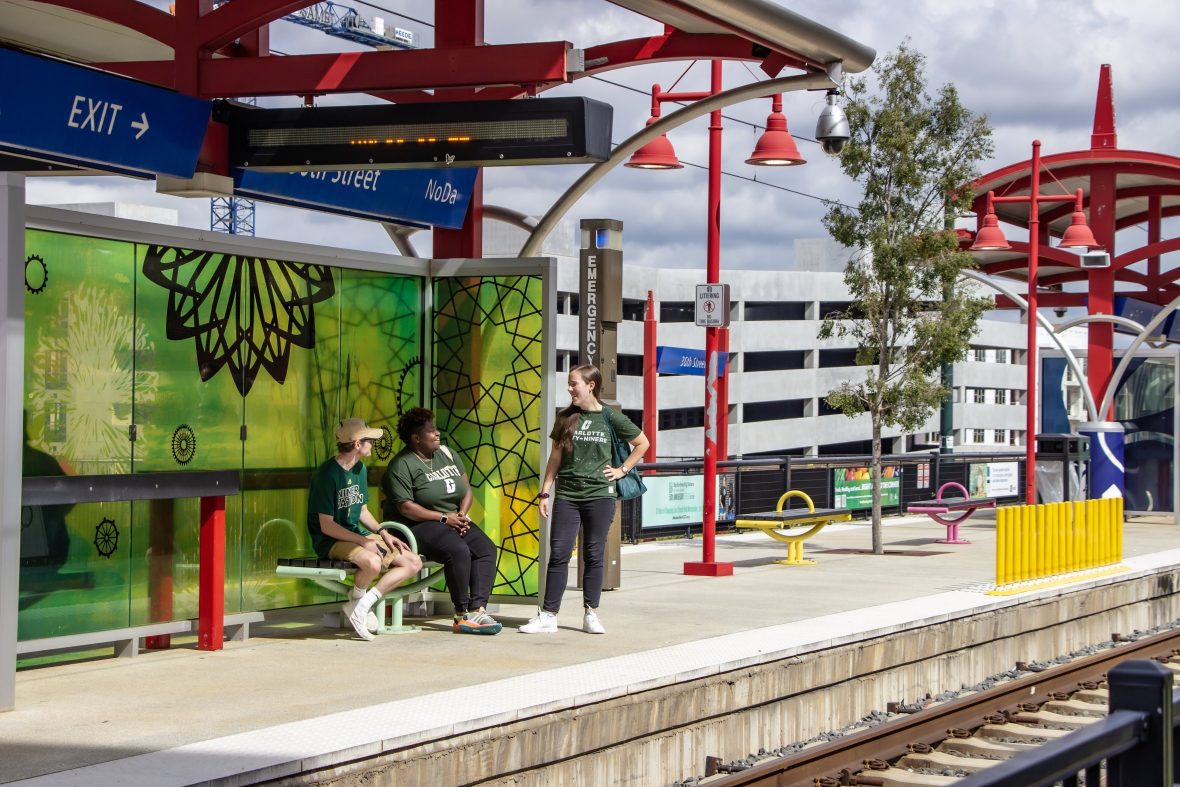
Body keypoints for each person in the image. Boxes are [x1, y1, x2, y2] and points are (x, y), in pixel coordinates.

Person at [521, 364, 649, 635]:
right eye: (569, 384)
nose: (570, 389)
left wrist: (621, 470)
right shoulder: (566, 417)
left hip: (600, 496)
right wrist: (545, 492)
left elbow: (643, 443)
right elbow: (555, 458)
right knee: (559, 554)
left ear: (591, 386)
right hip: (568, 494)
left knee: (593, 554)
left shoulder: (610, 418)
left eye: (574, 383)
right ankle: (548, 615)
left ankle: (591, 613)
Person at [382, 407, 502, 635]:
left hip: (452, 520)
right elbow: (406, 507)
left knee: (485, 548)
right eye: (430, 431)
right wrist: (444, 518)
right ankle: (461, 614)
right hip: (417, 525)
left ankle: (478, 608)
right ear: (416, 438)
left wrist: (461, 515)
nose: (437, 433)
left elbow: (466, 490)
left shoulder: (447, 454)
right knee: (457, 550)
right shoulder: (402, 464)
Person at [307, 417, 422, 641]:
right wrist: (363, 541)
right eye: (369, 439)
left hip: (355, 535)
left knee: (413, 562)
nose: (373, 443)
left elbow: (362, 511)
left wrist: (382, 532)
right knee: (373, 562)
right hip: (330, 540)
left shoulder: (359, 468)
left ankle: (361, 605)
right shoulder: (326, 475)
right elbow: (326, 525)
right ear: (357, 444)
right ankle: (359, 604)